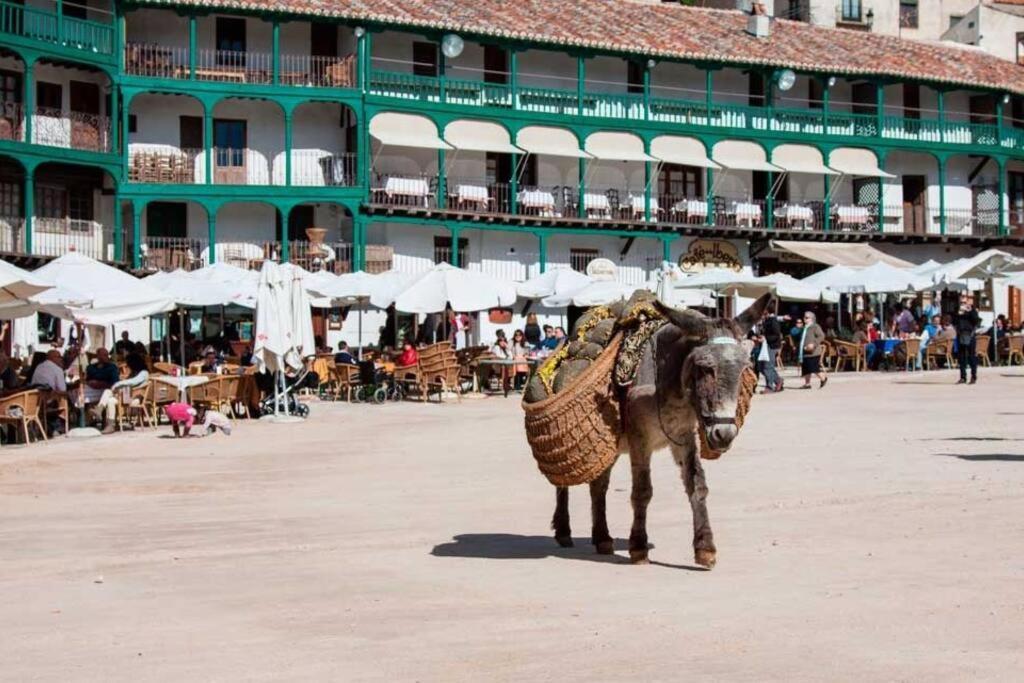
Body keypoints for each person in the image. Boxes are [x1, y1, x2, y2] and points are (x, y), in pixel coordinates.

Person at [94, 352, 150, 434]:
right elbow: (127, 382)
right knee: (109, 396)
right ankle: (107, 420)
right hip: (127, 396)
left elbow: (133, 382)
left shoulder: (144, 373)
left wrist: (118, 384)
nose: (128, 366)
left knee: (110, 396)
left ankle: (104, 415)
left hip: (136, 398)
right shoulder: (134, 373)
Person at [754, 308, 783, 393]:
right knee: (760, 367)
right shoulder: (765, 320)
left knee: (767, 366)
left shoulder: (773, 321)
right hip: (764, 345)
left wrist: (765, 338)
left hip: (771, 346)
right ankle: (778, 380)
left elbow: (776, 335)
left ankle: (769, 387)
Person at [954, 294, 981, 385]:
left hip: (970, 335)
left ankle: (973, 376)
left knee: (971, 356)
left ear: (968, 302)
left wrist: (970, 312)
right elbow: (954, 322)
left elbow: (977, 321)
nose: (963, 304)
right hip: (961, 335)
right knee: (961, 357)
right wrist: (958, 314)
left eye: (964, 302)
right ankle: (963, 377)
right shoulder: (958, 311)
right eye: (961, 302)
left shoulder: (972, 310)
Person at [798, 311, 827, 389]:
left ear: (812, 319)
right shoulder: (804, 327)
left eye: (807, 317)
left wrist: (814, 344)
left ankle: (823, 378)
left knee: (813, 367)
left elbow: (821, 336)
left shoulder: (815, 326)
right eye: (804, 317)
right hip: (805, 351)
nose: (804, 319)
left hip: (813, 352)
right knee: (806, 368)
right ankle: (807, 384)